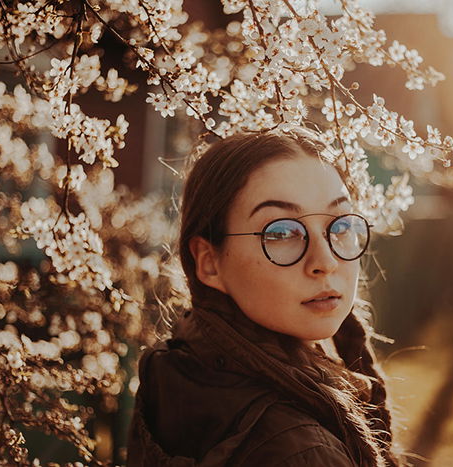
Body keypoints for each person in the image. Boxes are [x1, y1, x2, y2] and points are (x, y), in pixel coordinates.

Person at [127, 130, 399, 466]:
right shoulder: (301, 451)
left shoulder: (179, 366)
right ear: (209, 261)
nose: (325, 262)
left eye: (340, 225)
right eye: (281, 233)